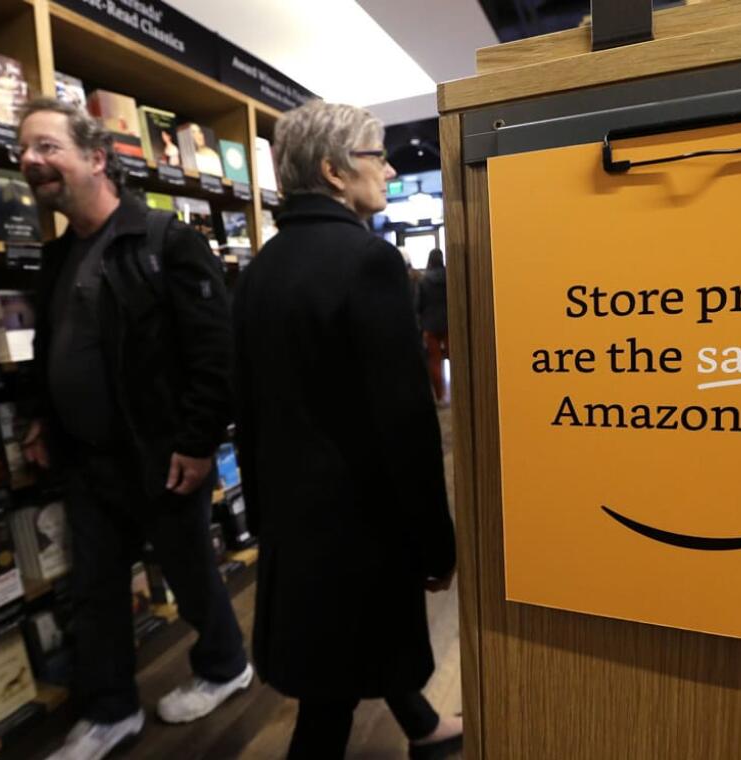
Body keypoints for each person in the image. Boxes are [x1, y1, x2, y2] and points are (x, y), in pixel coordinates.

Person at [14, 96, 251, 760]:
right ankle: (112, 710)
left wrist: (199, 441)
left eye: (46, 147)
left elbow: (214, 353)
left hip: (160, 453)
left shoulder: (168, 241)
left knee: (190, 571)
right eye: (24, 150)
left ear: (95, 157)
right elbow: (50, 345)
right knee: (94, 589)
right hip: (86, 457)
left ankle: (226, 666)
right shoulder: (59, 256)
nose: (31, 161)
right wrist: (41, 416)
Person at [232, 100, 461, 760]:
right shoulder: (368, 261)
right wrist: (434, 543)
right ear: (335, 171)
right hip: (360, 524)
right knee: (329, 699)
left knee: (339, 657)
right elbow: (404, 420)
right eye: (376, 155)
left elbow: (247, 407)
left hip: (294, 520)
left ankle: (420, 725)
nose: (388, 169)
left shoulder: (260, 269)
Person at [417, 249, 449, 403]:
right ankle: (459, 394)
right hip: (450, 324)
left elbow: (418, 304)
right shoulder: (450, 277)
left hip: (430, 325)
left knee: (435, 362)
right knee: (457, 360)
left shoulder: (424, 280)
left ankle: (440, 396)